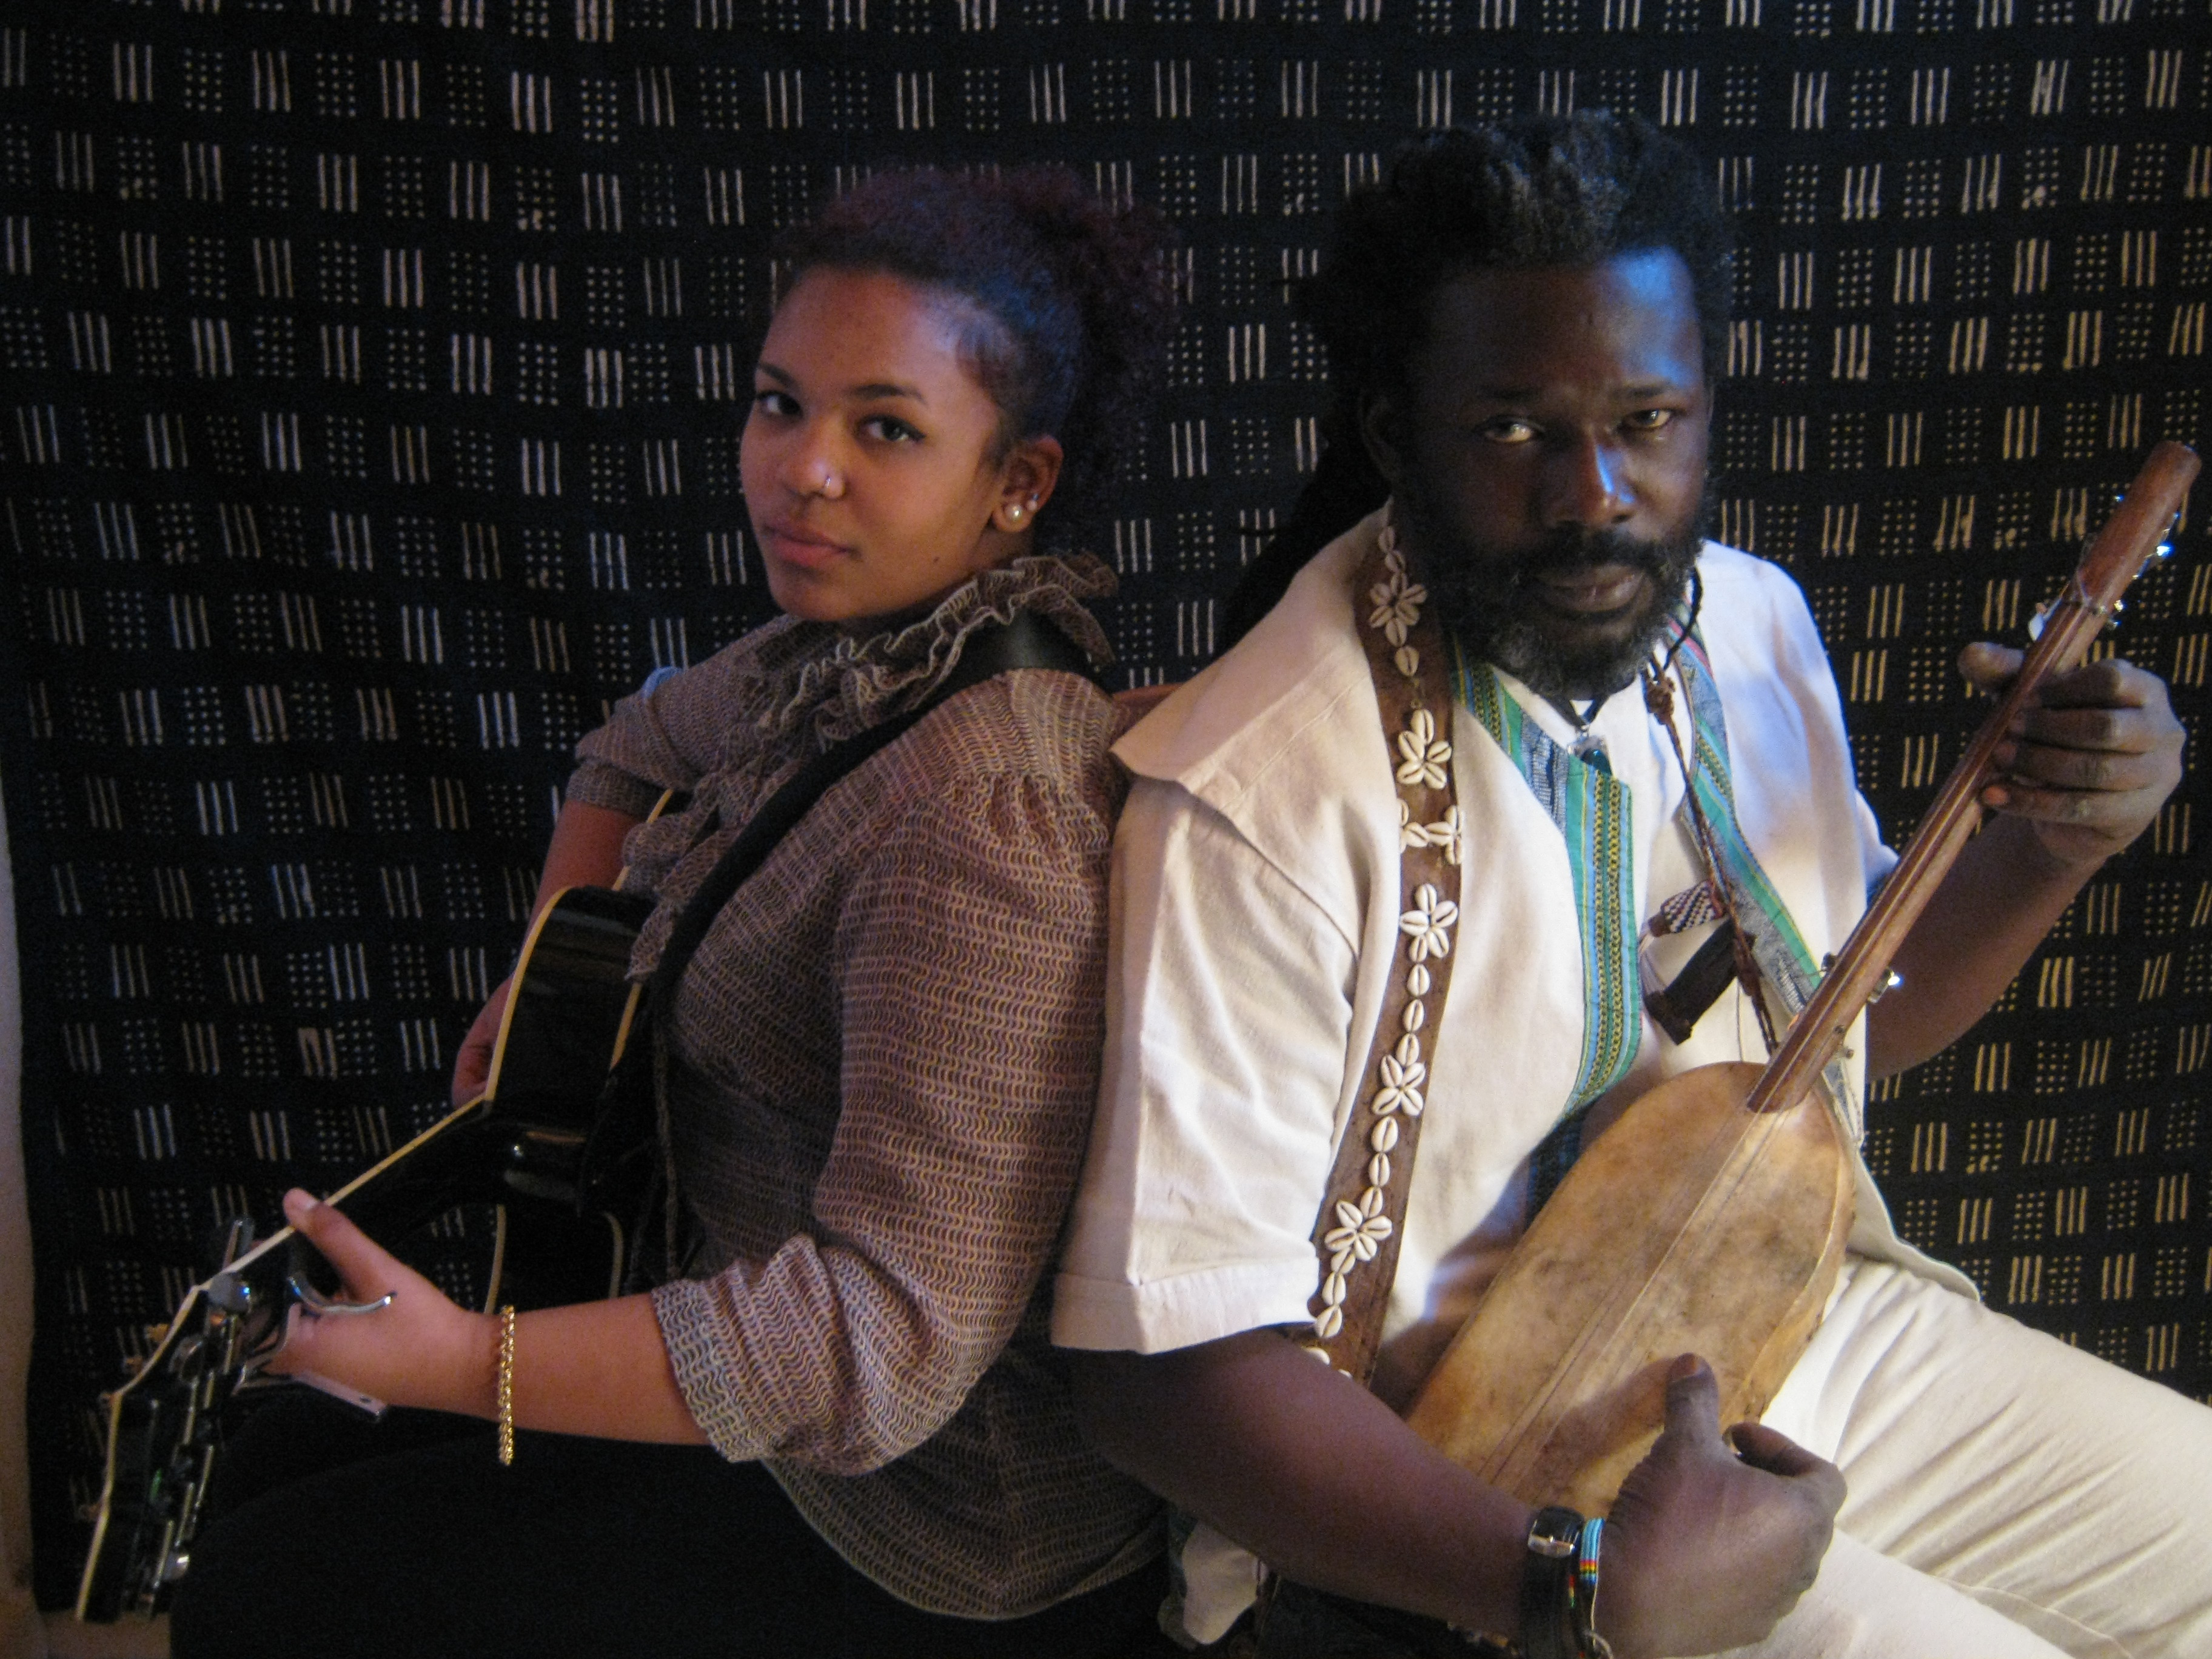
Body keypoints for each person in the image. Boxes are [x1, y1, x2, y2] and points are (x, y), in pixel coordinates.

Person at [1050, 113, 2209, 1659]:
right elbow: (1162, 1375)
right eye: (1513, 429)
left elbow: (1859, 1028)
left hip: (1790, 1324)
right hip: (1453, 1493)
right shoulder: (1263, 789)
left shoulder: (1751, 625)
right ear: (1397, 434)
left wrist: (2052, 842)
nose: (1595, 491)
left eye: (1647, 419)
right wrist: (1569, 1583)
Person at [168, 167, 1177, 1658]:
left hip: (928, 1527)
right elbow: (636, 743)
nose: (802, 471)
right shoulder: (849, 659)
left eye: (884, 429)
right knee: (273, 1463)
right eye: (780, 405)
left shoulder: (984, 819)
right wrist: (545, 989)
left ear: (1017, 483)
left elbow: (883, 1343)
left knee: (271, 1593)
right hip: (754, 1372)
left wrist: (470, 1361)